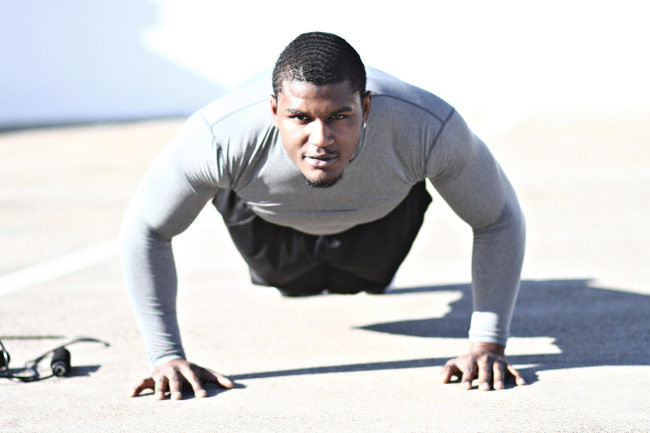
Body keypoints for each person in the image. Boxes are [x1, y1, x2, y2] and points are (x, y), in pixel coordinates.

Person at [121, 31, 526, 400]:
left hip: (377, 236)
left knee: (364, 268)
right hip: (270, 239)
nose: (321, 139)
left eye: (339, 117)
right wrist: (166, 356)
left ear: (366, 107)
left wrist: (487, 345)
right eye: (300, 118)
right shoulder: (219, 135)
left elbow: (497, 218)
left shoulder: (425, 125)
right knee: (292, 280)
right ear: (274, 110)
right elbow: (147, 228)